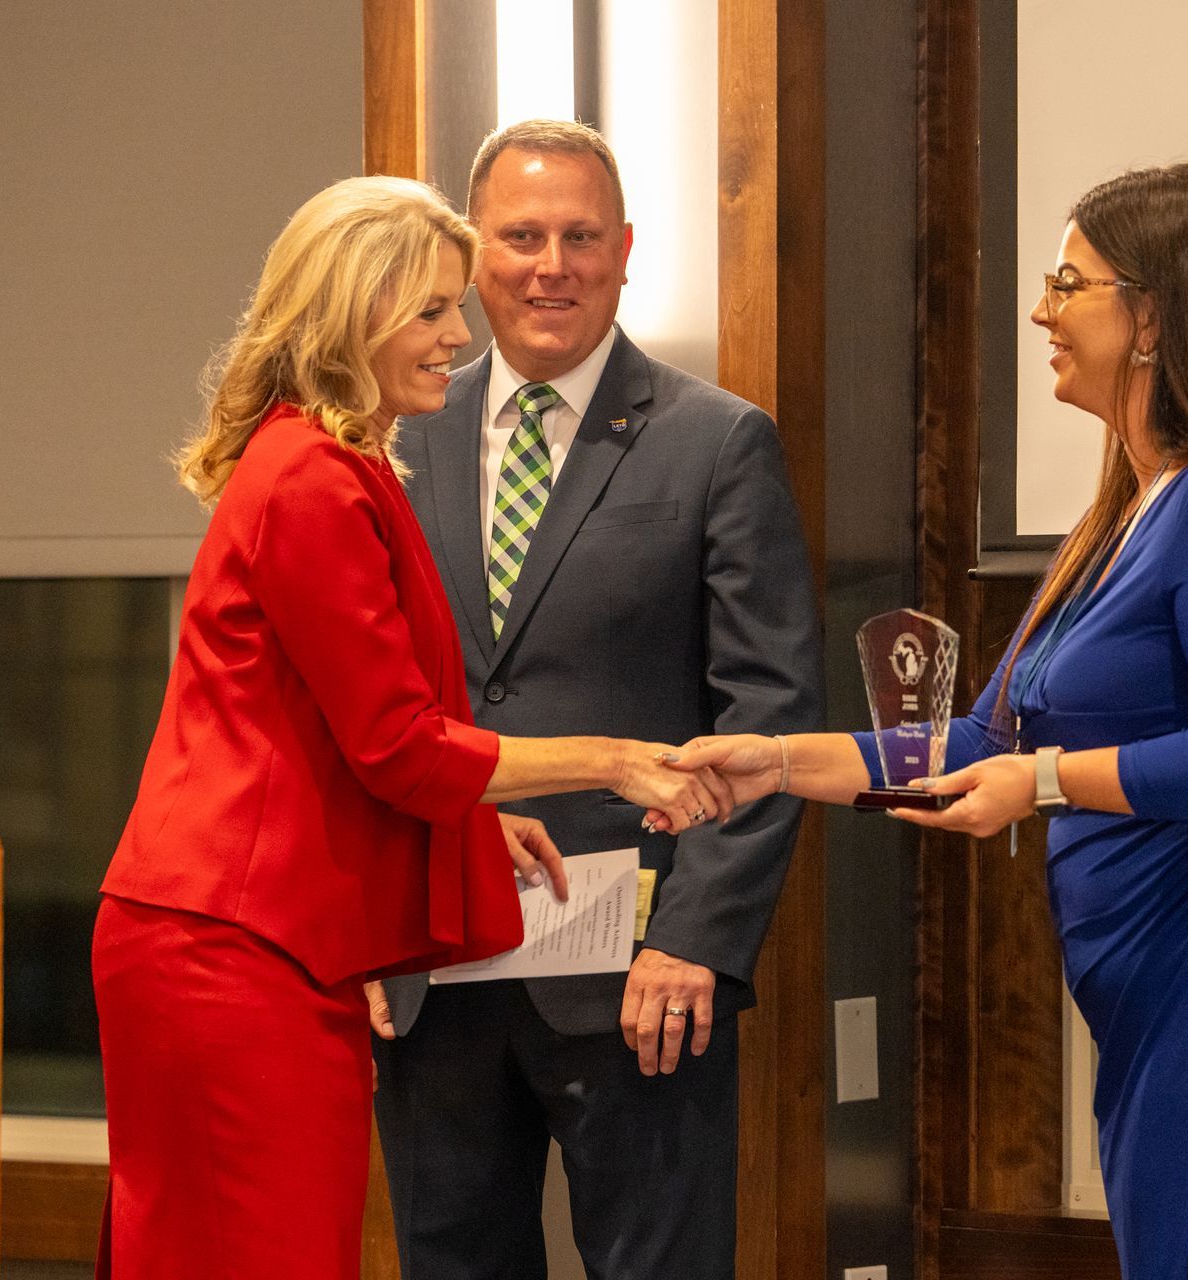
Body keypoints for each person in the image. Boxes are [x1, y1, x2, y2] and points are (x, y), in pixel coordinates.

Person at [669, 163, 1188, 1280]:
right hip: (1166, 999)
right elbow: (987, 743)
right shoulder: (1124, 513)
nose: (1039, 311)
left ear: (1153, 317)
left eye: (1068, 284)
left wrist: (1050, 781)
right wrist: (776, 761)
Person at [92, 175, 733, 1280]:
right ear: (353, 317)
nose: (458, 335)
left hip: (263, 942)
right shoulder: (310, 478)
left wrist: (472, 823)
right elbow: (396, 743)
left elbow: (332, 730)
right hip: (229, 948)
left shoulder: (341, 464)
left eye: (452, 307)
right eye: (430, 311)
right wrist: (616, 760)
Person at [368, 119, 822, 1279]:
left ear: (624, 251)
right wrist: (365, 919)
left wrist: (696, 939)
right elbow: (364, 708)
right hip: (436, 964)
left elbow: (768, 715)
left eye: (580, 238)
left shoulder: (717, 442)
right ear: (473, 255)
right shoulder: (394, 440)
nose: (551, 266)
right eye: (521, 237)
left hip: (638, 979)